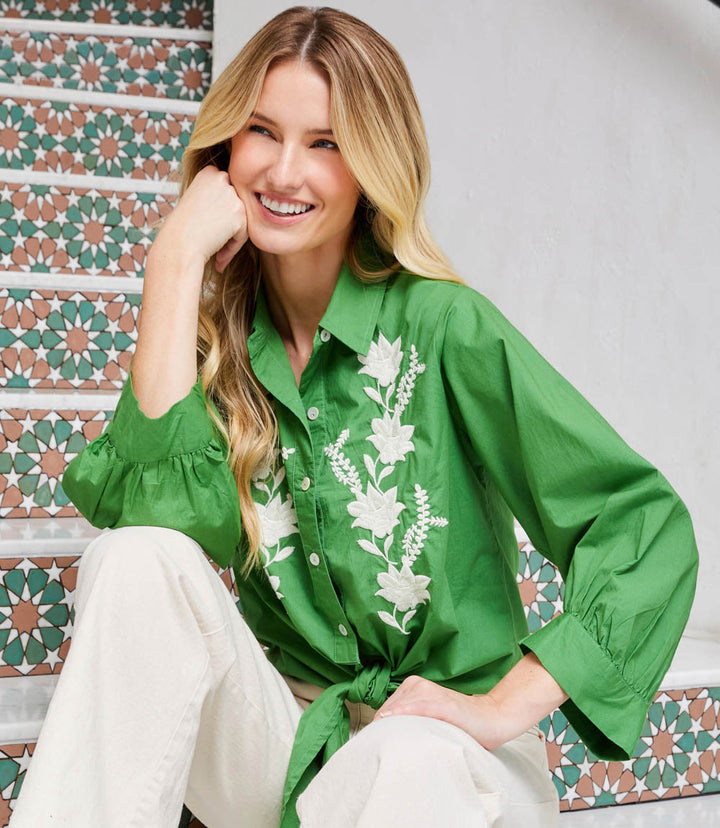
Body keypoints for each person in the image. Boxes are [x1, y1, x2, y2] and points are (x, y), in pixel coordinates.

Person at [10, 6, 698, 828]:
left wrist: (500, 708)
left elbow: (642, 526)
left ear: (372, 165)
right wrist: (174, 259)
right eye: (263, 132)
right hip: (296, 748)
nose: (284, 172)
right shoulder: (213, 348)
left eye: (325, 144)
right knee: (133, 557)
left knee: (405, 756)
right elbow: (163, 529)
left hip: (450, 765)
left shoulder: (444, 328)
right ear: (227, 148)